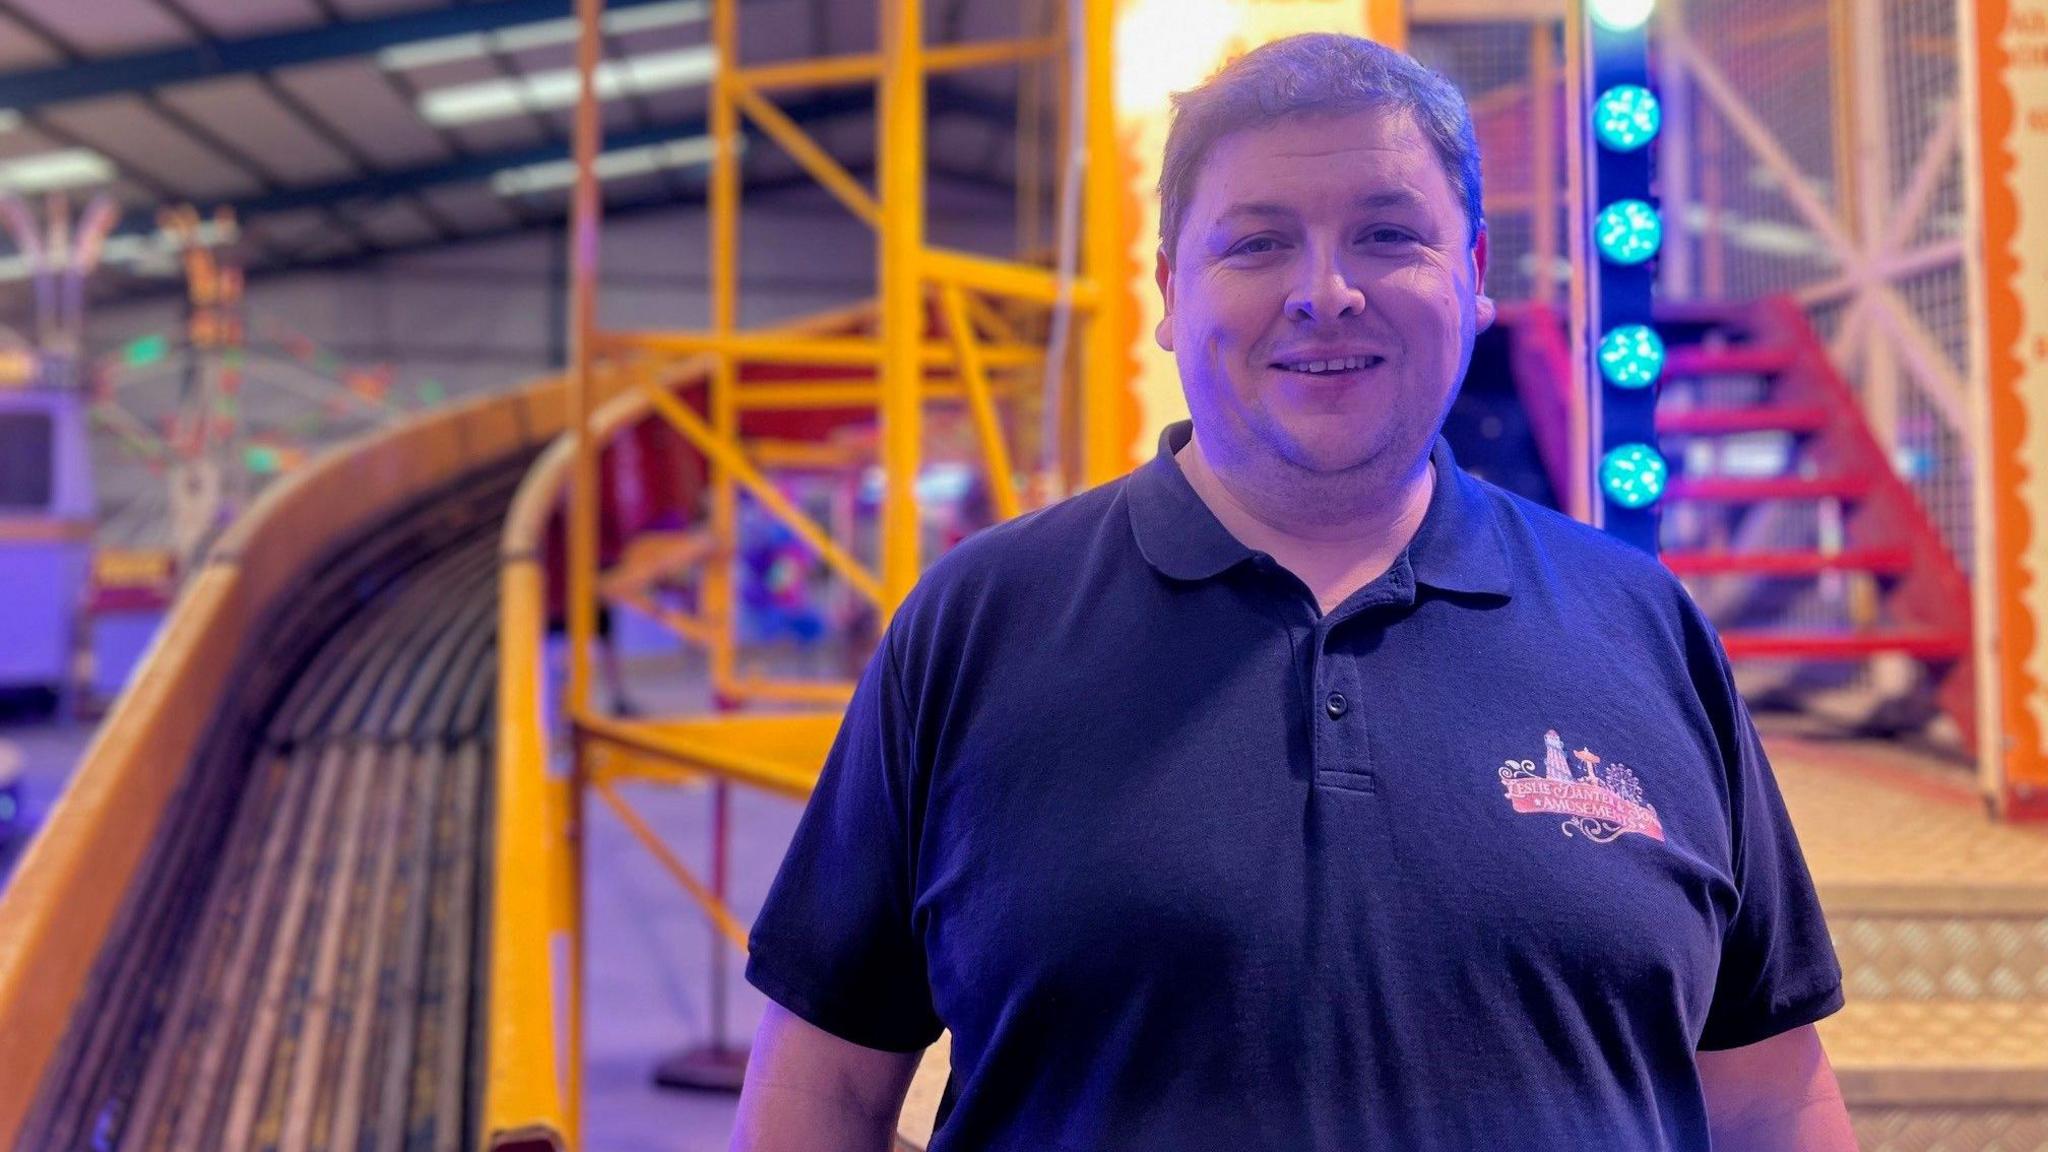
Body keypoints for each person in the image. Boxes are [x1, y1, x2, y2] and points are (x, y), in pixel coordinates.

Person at [731, 33, 1854, 1152]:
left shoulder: (1641, 627)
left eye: (1385, 236)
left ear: (1470, 278)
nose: (1325, 294)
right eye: (1258, 243)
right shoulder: (975, 625)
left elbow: (1768, 1095)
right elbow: (819, 1093)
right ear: (1170, 293)